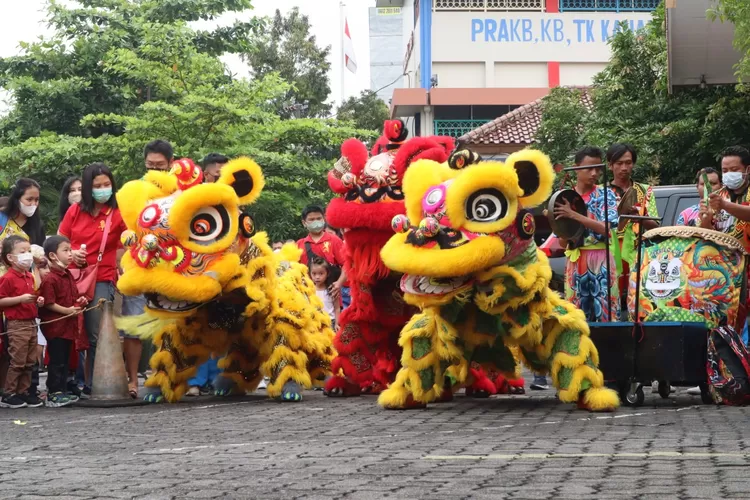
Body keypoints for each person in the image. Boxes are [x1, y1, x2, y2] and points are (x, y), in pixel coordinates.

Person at [59, 162, 127, 395]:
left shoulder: (118, 212)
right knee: (70, 332)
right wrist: (72, 253)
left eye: (107, 184)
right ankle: (70, 383)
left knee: (97, 331)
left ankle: (100, 385)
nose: (103, 189)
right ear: (88, 188)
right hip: (71, 277)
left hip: (102, 278)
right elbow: (60, 240)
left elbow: (122, 248)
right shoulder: (76, 210)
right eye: (97, 185)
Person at [553, 147, 620, 323]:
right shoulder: (565, 197)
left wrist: (573, 215)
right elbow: (561, 242)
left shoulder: (606, 194)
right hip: (575, 259)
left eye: (598, 169)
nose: (594, 173)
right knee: (576, 315)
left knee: (606, 313)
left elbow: (606, 229)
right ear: (576, 168)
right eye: (589, 168)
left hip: (601, 258)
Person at [607, 144, 659, 319]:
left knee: (637, 300)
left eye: (628, 163)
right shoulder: (601, 191)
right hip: (610, 251)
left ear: (633, 164)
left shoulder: (645, 190)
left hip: (638, 251)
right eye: (619, 163)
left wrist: (641, 217)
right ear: (610, 165)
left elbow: (656, 227)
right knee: (610, 298)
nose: (624, 167)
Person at [40, 236, 86, 407]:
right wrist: (67, 311)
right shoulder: (50, 278)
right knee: (57, 360)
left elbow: (72, 297)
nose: (70, 253)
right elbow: (49, 303)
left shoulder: (67, 275)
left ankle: (63, 389)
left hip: (68, 325)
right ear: (53, 256)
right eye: (65, 250)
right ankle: (53, 392)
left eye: (70, 249)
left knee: (65, 360)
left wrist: (80, 302)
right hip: (56, 326)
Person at [0, 235, 45, 408]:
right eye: (22, 252)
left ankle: (24, 392)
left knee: (30, 360)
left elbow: (33, 296)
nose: (27, 255)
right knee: (17, 360)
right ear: (10, 257)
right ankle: (9, 393)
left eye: (28, 251)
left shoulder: (29, 276)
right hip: (17, 323)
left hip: (31, 321)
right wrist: (19, 299)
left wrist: (37, 300)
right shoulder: (8, 278)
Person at [296, 205, 349, 307]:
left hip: (332, 299)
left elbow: (347, 264)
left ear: (324, 219)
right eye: (311, 219)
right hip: (307, 299)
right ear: (304, 223)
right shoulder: (299, 244)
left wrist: (339, 283)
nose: (316, 221)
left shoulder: (334, 240)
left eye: (319, 218)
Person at [310, 257, 340, 330]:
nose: (317, 277)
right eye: (314, 273)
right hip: (315, 323)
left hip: (330, 323)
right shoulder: (309, 290)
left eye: (321, 273)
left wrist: (337, 323)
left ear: (327, 273)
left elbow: (337, 308)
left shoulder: (332, 289)